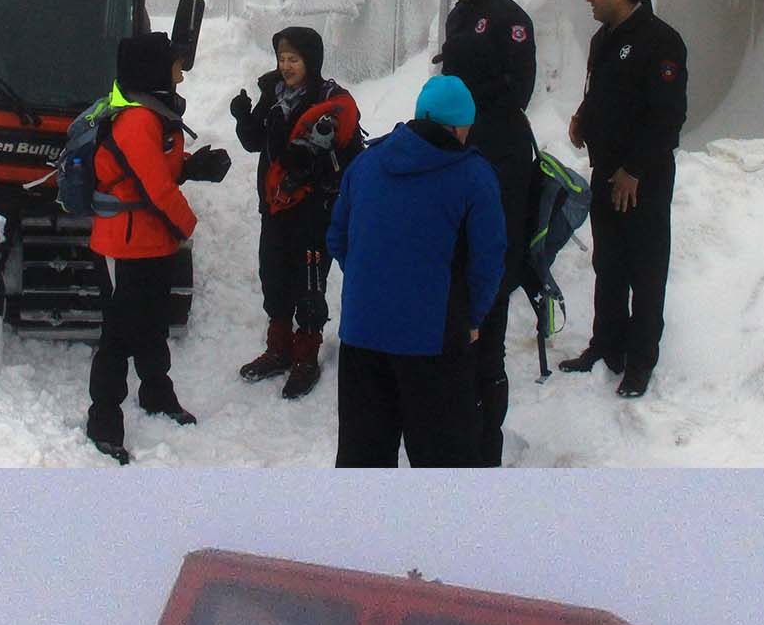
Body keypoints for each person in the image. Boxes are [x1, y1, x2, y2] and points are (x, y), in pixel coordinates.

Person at [324, 75, 504, 467]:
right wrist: (472, 318)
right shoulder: (474, 176)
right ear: (458, 127)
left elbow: (338, 238)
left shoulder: (366, 164)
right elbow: (488, 261)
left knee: (363, 459)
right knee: (443, 461)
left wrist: (372, 280)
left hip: (362, 336)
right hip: (434, 343)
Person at [85, 32, 230, 464]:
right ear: (153, 70)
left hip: (150, 242)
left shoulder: (153, 114)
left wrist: (193, 167)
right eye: (174, 64)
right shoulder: (136, 120)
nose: (181, 71)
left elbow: (157, 172)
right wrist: (188, 223)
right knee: (117, 335)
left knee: (152, 325)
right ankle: (104, 418)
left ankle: (156, 393)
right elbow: (154, 188)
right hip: (122, 245)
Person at [562, 0, 687, 397]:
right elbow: (600, 92)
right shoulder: (603, 39)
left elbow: (668, 117)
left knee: (645, 269)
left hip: (643, 180)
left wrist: (634, 170)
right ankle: (606, 345)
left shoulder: (661, 42)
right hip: (605, 172)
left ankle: (640, 360)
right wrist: (582, 116)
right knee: (608, 264)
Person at [438, 0, 537, 463]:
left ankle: (490, 317)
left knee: (492, 245)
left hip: (499, 145)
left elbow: (518, 87)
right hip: (463, 140)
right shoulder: (460, 15)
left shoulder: (509, 19)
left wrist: (477, 97)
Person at [228, 25, 363, 401]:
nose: (286, 66)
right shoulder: (273, 93)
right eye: (282, 58)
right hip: (274, 205)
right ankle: (279, 348)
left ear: (311, 61)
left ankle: (306, 354)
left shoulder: (330, 101)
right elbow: (256, 142)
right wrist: (243, 116)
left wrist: (310, 164)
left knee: (308, 281)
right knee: (273, 274)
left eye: (294, 59)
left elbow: (346, 155)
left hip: (312, 209)